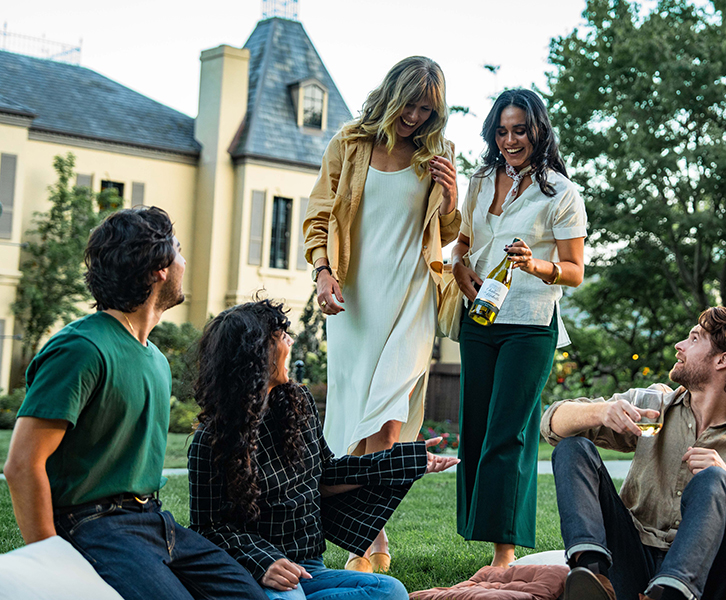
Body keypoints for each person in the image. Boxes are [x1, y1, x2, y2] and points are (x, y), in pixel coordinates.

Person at [3, 207, 266, 600]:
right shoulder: (81, 348)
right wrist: (50, 561)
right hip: (93, 524)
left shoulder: (156, 359)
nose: (183, 261)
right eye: (177, 250)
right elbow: (23, 464)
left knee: (247, 595)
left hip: (155, 522)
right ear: (159, 267)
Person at [188, 299, 459, 600]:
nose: (291, 341)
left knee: (391, 591)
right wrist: (262, 561)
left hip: (309, 567)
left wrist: (404, 461)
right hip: (253, 569)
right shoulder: (211, 439)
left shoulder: (297, 405)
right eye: (280, 335)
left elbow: (325, 473)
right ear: (257, 352)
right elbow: (207, 528)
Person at [302, 55, 460, 572]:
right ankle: (371, 534)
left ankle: (361, 542)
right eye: (410, 104)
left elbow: (451, 232)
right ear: (392, 94)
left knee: (389, 417)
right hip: (356, 299)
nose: (415, 117)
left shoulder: (438, 154)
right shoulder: (348, 144)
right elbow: (319, 214)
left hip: (413, 295)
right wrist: (322, 272)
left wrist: (453, 194)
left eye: (426, 109)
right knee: (357, 420)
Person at [542, 307, 726, 600]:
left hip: (707, 579)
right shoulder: (652, 406)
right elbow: (551, 425)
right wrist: (600, 411)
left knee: (716, 478)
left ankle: (671, 592)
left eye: (694, 338)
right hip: (631, 562)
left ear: (722, 360)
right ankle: (592, 576)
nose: (680, 345)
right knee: (574, 447)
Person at [449, 88, 587, 568]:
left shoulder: (562, 192)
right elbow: (463, 243)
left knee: (509, 432)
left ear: (538, 131)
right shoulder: (480, 180)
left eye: (520, 130)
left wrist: (536, 265)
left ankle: (503, 553)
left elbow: (574, 270)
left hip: (529, 323)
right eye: (502, 131)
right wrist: (459, 268)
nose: (510, 140)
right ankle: (480, 532)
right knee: (476, 431)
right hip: (480, 318)